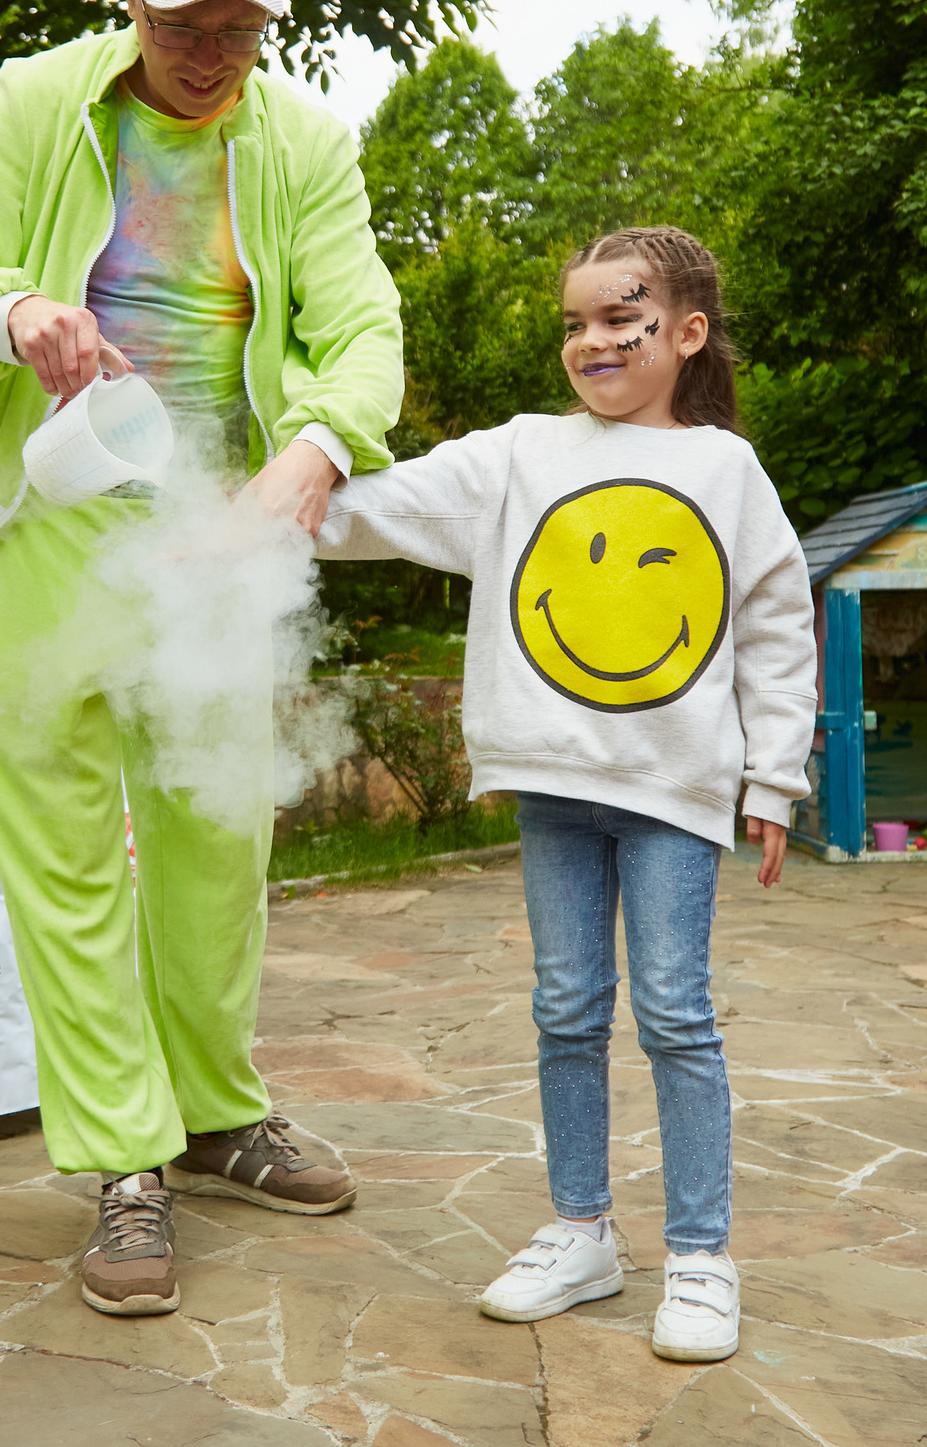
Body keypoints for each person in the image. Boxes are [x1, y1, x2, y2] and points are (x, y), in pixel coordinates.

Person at [0, 0, 404, 1317]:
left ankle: (219, 1110)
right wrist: (14, 310)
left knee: (215, 844)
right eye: (186, 17)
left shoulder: (301, 140)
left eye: (241, 22)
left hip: (211, 539)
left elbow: (364, 330)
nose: (211, 48)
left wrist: (310, 447)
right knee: (65, 869)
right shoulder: (40, 101)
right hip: (40, 538)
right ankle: (125, 1163)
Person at [312, 228, 816, 1362]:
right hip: (553, 788)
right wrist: (284, 491)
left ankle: (699, 1256)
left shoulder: (727, 472)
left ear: (684, 333)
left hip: (674, 792)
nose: (591, 341)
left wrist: (773, 779)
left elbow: (780, 628)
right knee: (564, 1012)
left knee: (676, 1014)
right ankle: (580, 1230)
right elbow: (380, 508)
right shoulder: (522, 453)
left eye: (618, 318)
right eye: (574, 324)